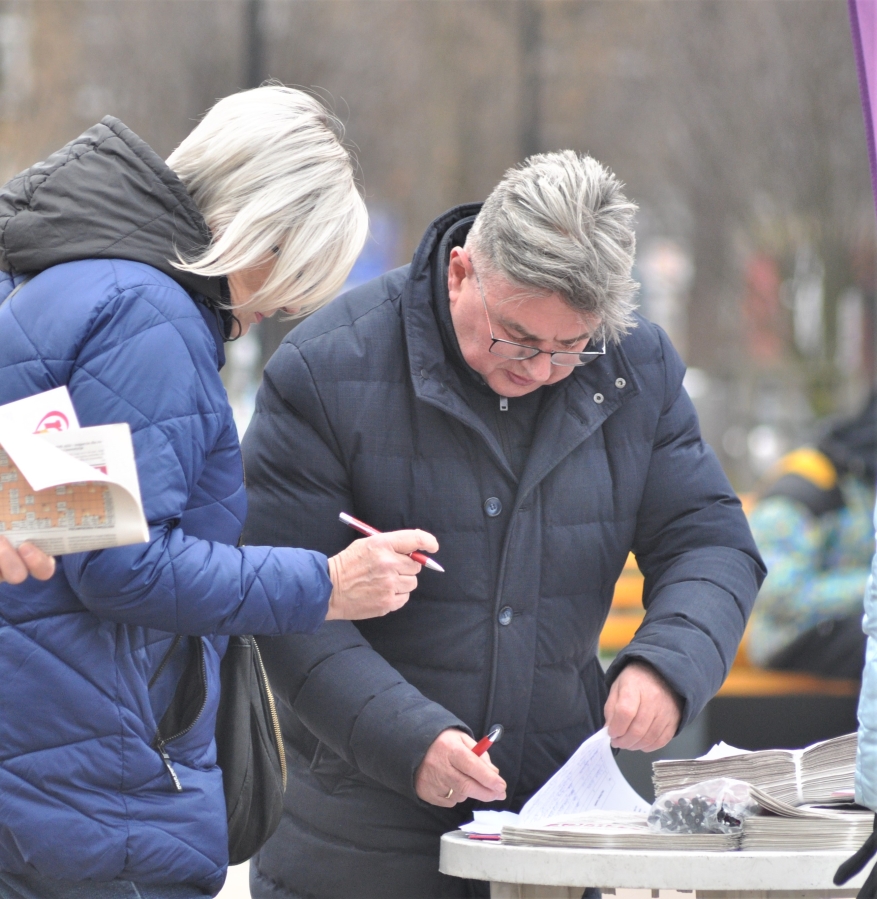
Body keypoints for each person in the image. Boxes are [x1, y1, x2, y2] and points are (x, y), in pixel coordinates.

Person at [241, 150, 766, 899]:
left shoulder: (633, 367)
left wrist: (668, 663)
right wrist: (409, 737)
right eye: (516, 338)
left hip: (551, 824)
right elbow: (282, 603)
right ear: (461, 272)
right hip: (357, 832)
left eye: (571, 347)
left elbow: (708, 540)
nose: (540, 369)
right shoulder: (327, 367)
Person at [0, 86, 439, 899]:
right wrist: (325, 583)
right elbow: (120, 564)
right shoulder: (149, 317)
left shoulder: (62, 280)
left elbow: (66, 529)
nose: (286, 304)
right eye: (298, 273)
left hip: (42, 763)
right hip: (99, 788)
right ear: (264, 232)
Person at [746, 394, 877, 680]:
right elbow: (780, 594)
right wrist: (869, 587)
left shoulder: (866, 481)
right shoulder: (806, 484)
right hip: (790, 639)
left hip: (850, 627)